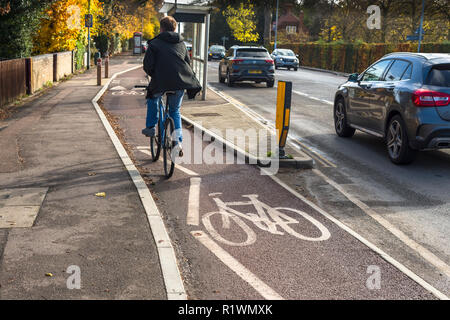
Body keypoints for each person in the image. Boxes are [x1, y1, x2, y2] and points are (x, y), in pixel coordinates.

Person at [142, 16, 201, 155]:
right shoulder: (181, 43)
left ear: (161, 28)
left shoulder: (155, 43)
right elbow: (187, 62)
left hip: (161, 81)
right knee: (175, 111)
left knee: (153, 99)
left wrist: (154, 75)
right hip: (180, 81)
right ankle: (178, 143)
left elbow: (147, 65)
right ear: (174, 29)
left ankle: (150, 128)